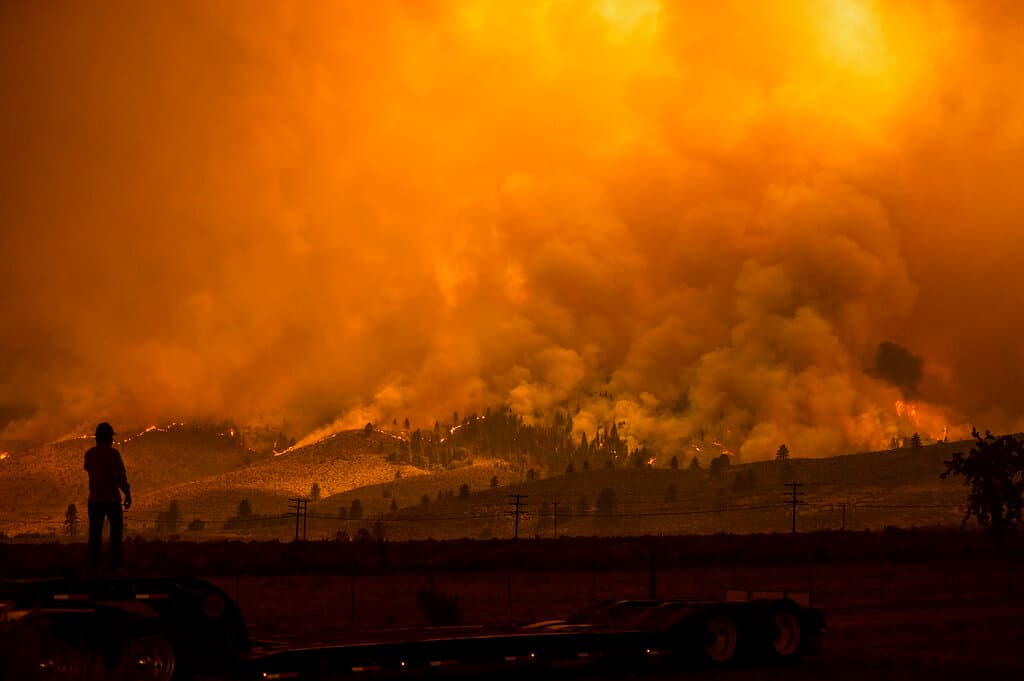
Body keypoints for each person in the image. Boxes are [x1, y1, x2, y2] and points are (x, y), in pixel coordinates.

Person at [84, 422, 131, 570]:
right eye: (111, 437)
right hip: (112, 500)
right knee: (116, 535)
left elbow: (88, 468)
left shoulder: (90, 454)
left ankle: (94, 567)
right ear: (109, 438)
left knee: (95, 534)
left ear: (97, 438)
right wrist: (127, 494)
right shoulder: (113, 455)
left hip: (95, 500)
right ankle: (115, 566)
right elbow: (120, 477)